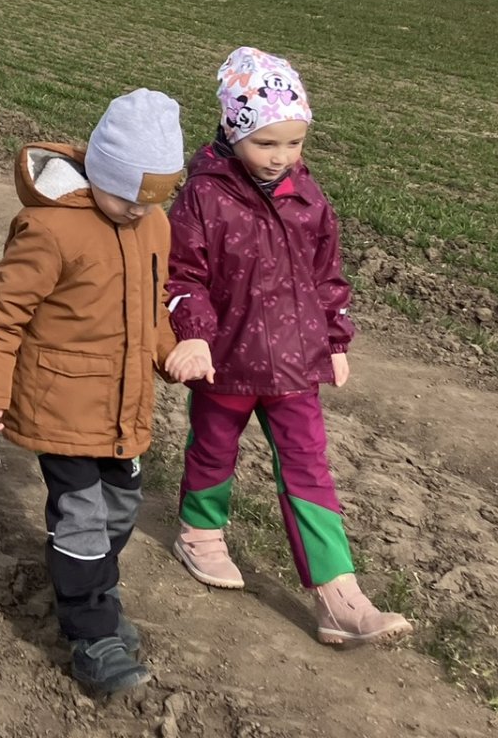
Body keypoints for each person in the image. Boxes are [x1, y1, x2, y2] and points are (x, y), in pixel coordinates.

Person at [166, 46, 412, 648]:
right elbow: (183, 275)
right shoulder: (203, 197)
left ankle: (338, 593)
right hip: (225, 360)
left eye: (294, 143)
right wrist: (194, 334)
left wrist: (335, 338)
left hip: (296, 363)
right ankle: (200, 534)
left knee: (308, 466)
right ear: (233, 130)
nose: (281, 157)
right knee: (213, 450)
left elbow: (328, 277)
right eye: (266, 143)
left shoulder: (310, 199)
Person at [0, 89, 190, 698]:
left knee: (121, 507)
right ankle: (92, 635)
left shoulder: (153, 224)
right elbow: (3, 314)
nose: (138, 211)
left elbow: (151, 307)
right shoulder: (50, 227)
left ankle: (96, 593)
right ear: (99, 171)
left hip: (125, 406)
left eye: (152, 199)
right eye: (127, 197)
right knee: (83, 516)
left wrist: (169, 352)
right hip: (60, 403)